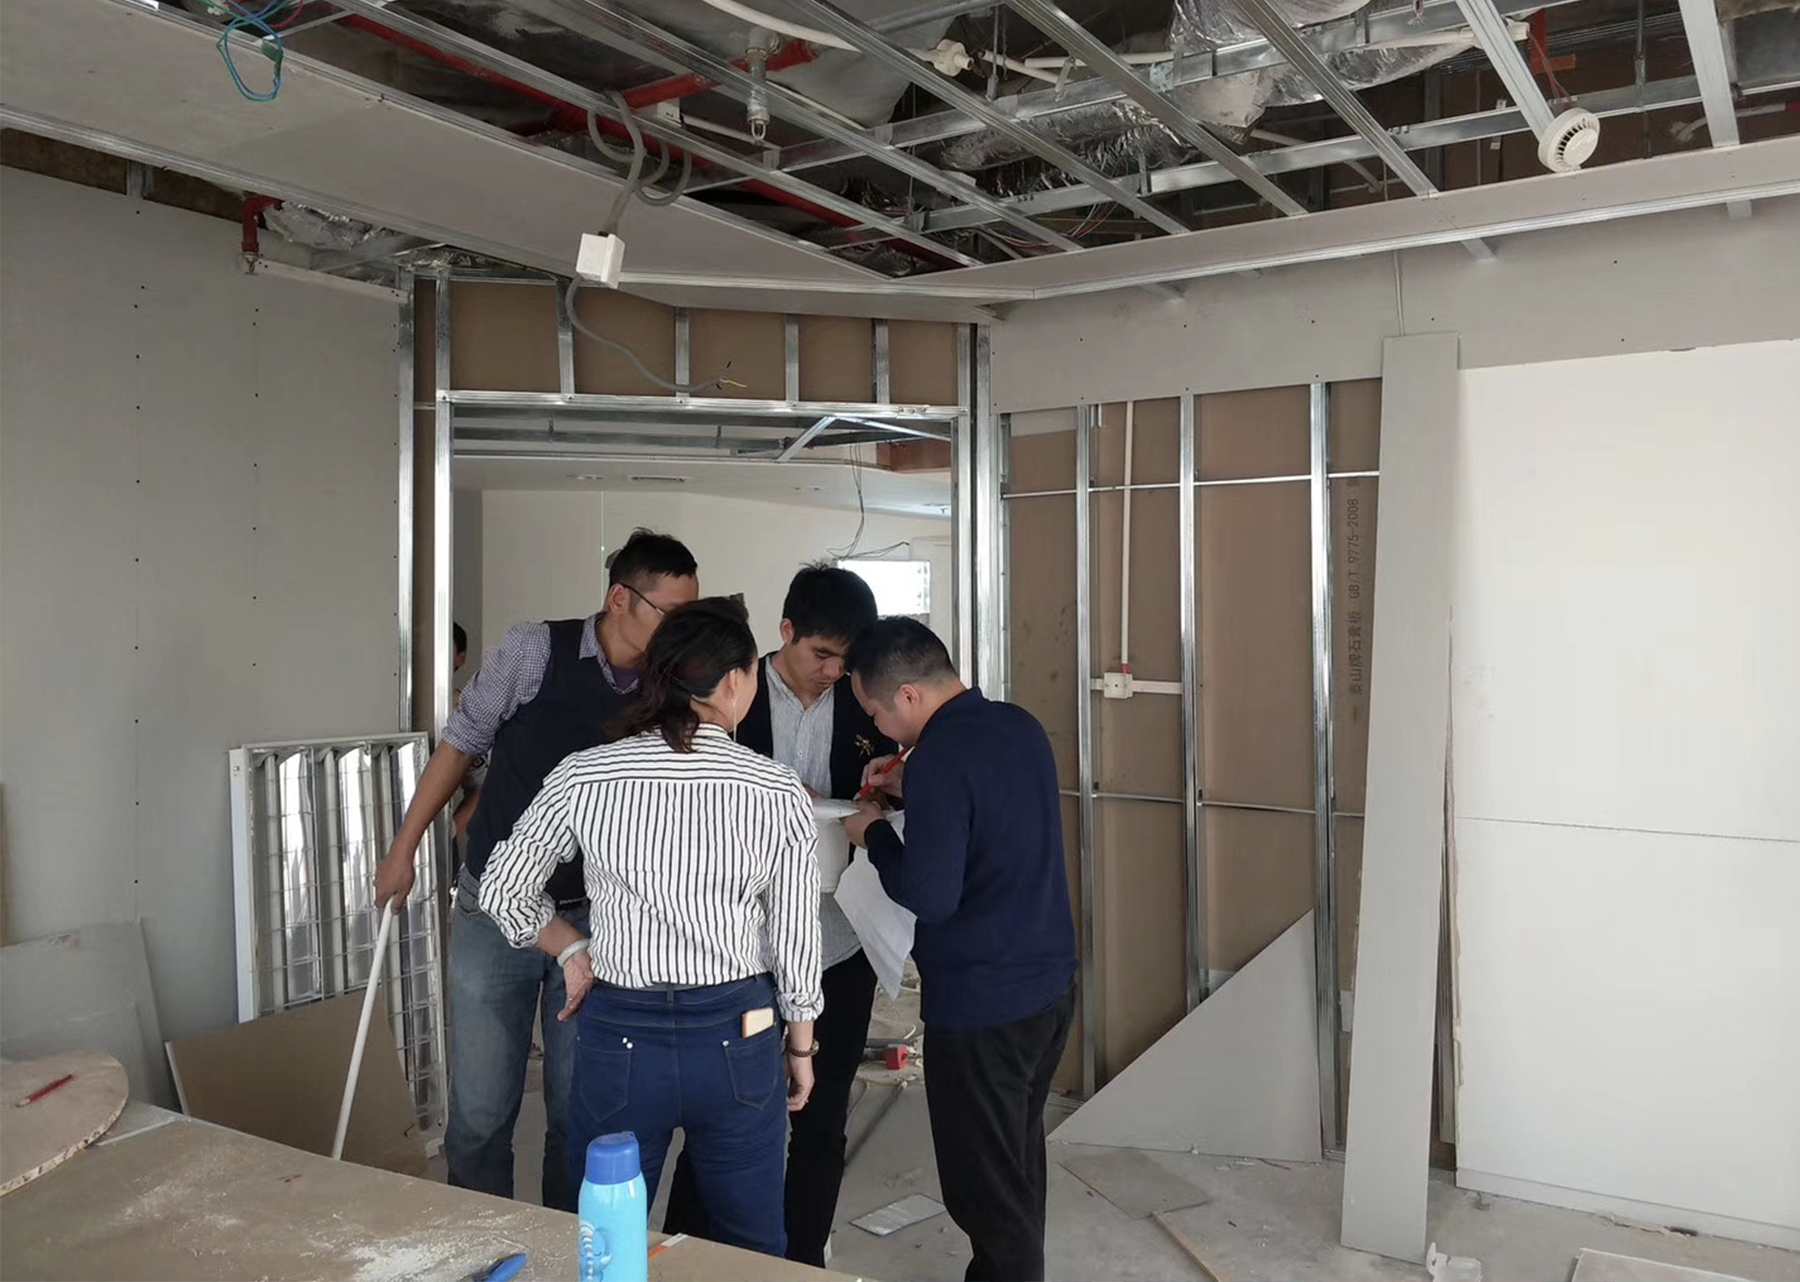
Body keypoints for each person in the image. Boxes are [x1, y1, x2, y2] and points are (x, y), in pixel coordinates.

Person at [478, 598, 823, 1259]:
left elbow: (502, 889)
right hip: (741, 1035)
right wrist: (801, 1049)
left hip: (620, 1039)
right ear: (732, 682)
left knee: (610, 1243)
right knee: (751, 1244)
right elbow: (795, 941)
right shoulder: (777, 791)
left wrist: (572, 948)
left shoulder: (587, 774)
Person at [373, 530, 699, 1211]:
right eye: (670, 613)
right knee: (481, 1115)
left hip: (597, 919)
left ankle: (564, 1247)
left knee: (581, 1114)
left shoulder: (669, 686)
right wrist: (405, 848)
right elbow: (459, 745)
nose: (679, 631)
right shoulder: (535, 651)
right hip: (495, 907)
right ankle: (483, 1244)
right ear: (620, 598)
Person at [663, 565, 895, 1267]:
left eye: (846, 661)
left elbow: (893, 791)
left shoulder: (864, 704)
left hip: (837, 941)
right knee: (722, 1115)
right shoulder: (731, 692)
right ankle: (689, 1254)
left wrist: (884, 795)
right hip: (741, 945)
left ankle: (801, 1261)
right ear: (785, 631)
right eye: (821, 654)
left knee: (822, 1119)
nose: (834, 672)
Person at [842, 619, 1077, 1282]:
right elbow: (989, 815)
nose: (880, 728)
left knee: (985, 1191)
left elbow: (931, 894)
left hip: (983, 1010)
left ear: (909, 695)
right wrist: (910, 790)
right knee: (1015, 1163)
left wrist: (872, 834)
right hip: (1048, 987)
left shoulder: (939, 759)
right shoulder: (1018, 725)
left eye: (876, 712)